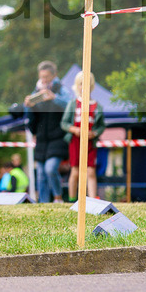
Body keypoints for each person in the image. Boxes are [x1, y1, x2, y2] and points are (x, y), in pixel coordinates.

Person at [24, 61, 70, 203]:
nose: (44, 80)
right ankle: (43, 204)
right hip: (42, 138)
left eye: (47, 77)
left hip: (58, 137)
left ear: (54, 75)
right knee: (41, 175)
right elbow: (31, 117)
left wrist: (54, 98)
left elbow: (71, 104)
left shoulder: (61, 89)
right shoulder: (36, 91)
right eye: (42, 77)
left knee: (51, 168)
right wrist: (28, 106)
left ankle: (58, 197)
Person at [62, 73, 105, 201]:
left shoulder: (97, 106)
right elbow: (64, 123)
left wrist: (95, 133)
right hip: (75, 141)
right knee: (75, 171)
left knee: (90, 171)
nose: (83, 87)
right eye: (81, 84)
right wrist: (74, 129)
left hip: (90, 143)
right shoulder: (73, 104)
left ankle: (92, 199)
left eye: (86, 84)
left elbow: (101, 125)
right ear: (77, 85)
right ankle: (71, 198)